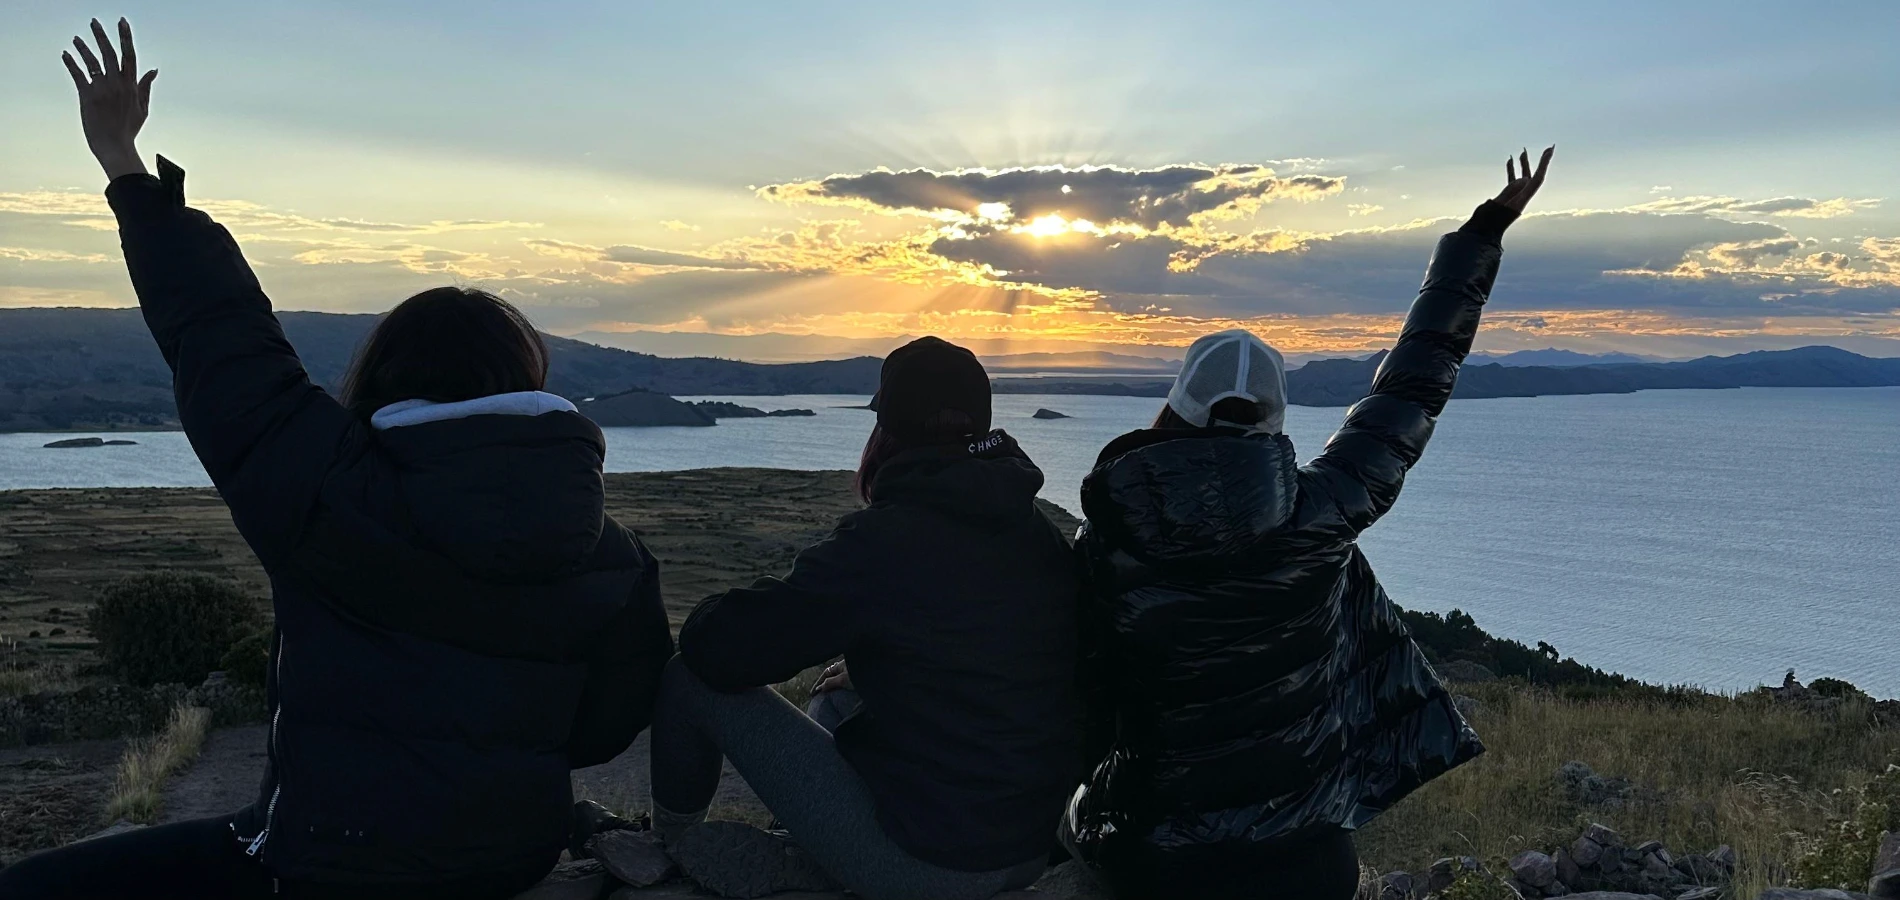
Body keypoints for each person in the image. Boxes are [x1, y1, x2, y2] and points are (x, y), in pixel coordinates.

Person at [0, 20, 674, 900]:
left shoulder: (327, 490)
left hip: (332, 860)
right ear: (526, 388)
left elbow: (222, 336)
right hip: (513, 857)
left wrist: (123, 161)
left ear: (382, 376)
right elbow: (600, 730)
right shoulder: (617, 562)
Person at [1063, 148, 1556, 900]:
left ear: (1175, 408)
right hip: (1308, 856)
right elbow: (1415, 382)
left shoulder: (1108, 541)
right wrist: (1483, 232)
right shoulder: (1322, 510)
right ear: (1275, 421)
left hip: (1162, 859)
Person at [647, 336, 1080, 900]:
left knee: (688, 680)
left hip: (931, 866)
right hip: (1030, 843)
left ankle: (669, 851)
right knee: (836, 695)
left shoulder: (886, 542)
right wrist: (877, 661)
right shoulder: (1034, 528)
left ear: (889, 431)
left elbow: (720, 650)